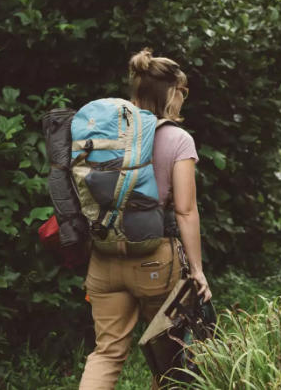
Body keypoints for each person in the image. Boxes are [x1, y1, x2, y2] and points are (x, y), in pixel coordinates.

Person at [79, 48, 211, 390]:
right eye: (182, 92)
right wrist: (196, 270)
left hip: (104, 258)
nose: (183, 100)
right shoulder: (178, 139)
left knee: (106, 353)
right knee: (170, 359)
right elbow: (184, 210)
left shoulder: (107, 138)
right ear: (172, 93)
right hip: (155, 260)